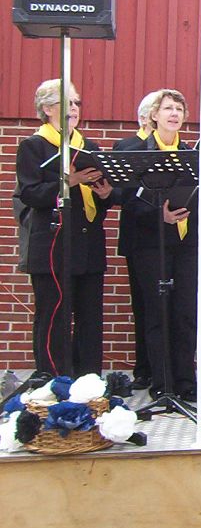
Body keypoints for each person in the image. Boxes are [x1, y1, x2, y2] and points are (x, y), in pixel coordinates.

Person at [15, 79, 113, 380]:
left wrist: (105, 194)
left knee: (89, 317)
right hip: (52, 244)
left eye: (76, 103)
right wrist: (68, 181)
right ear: (47, 109)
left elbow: (100, 202)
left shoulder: (89, 147)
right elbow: (30, 194)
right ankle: (53, 379)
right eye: (67, 102)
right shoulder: (34, 146)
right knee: (54, 316)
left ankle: (88, 380)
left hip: (87, 242)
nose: (74, 108)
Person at [126, 88, 200, 402]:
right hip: (151, 244)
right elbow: (128, 200)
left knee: (185, 313)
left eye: (179, 109)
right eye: (168, 108)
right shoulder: (138, 152)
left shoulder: (192, 154)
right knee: (158, 313)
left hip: (185, 242)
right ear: (154, 115)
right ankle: (162, 380)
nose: (174, 114)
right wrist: (160, 215)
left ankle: (185, 380)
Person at [112, 90, 163, 391]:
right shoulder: (128, 146)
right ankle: (143, 368)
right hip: (139, 236)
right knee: (143, 305)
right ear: (145, 118)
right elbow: (121, 193)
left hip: (167, 235)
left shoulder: (171, 146)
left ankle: (164, 369)